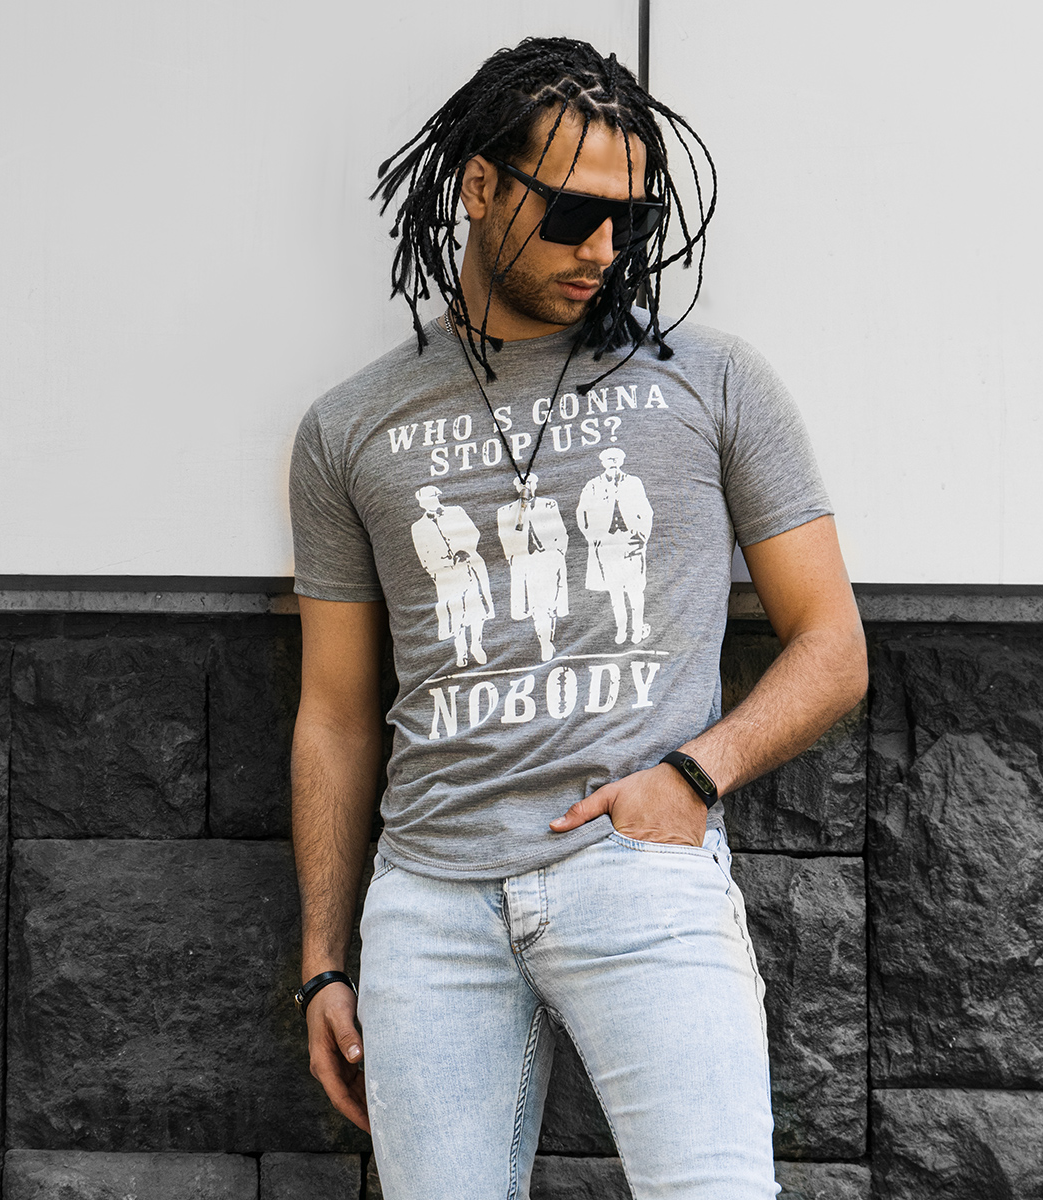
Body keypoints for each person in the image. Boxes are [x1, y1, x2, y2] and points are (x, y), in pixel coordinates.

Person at [288, 36, 867, 1200]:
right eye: (570, 214)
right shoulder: (348, 429)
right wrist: (323, 963)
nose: (602, 249)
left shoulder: (712, 381)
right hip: (430, 903)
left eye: (630, 220)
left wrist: (691, 780)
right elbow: (336, 715)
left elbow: (833, 647)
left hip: (637, 865)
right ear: (480, 187)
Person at [411, 483, 495, 666]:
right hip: (445, 575)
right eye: (425, 500)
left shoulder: (456, 511)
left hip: (468, 564)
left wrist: (463, 551)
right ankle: (461, 652)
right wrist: (440, 568)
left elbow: (473, 532)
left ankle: (477, 645)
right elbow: (423, 554)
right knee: (455, 613)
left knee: (476, 608)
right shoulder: (418, 526)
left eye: (432, 498)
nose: (428, 503)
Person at [576, 446, 653, 645]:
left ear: (621, 461)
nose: (612, 462)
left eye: (616, 459)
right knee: (615, 591)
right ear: (603, 463)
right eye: (608, 459)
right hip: (607, 545)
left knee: (635, 590)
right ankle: (621, 630)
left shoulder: (634, 482)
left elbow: (646, 511)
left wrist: (642, 536)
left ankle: (637, 629)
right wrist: (593, 537)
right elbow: (582, 513)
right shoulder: (593, 485)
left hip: (631, 542)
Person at [497, 472, 569, 662]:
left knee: (550, 602)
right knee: (537, 605)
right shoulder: (505, 511)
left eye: (530, 482)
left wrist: (558, 553)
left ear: (536, 484)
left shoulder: (549, 504)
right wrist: (513, 559)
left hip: (548, 558)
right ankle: (545, 642)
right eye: (522, 484)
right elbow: (505, 537)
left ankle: (547, 639)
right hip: (525, 562)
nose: (527, 486)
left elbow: (560, 531)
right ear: (516, 487)